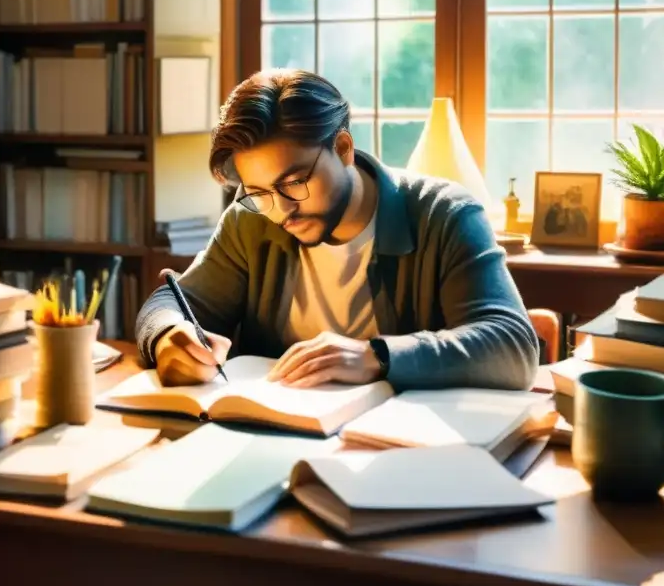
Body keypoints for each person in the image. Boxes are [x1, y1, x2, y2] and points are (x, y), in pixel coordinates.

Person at [136, 69, 540, 391]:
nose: (281, 211)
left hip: (405, 457)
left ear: (343, 148)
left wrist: (376, 356)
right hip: (273, 441)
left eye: (294, 182)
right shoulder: (251, 221)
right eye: (258, 192)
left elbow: (512, 346)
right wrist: (169, 336)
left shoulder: (444, 214)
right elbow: (170, 303)